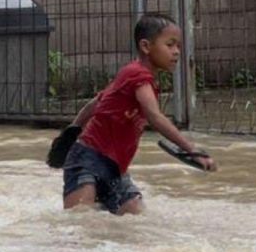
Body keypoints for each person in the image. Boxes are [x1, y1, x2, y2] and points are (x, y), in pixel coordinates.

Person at [61, 13, 216, 215]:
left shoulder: (130, 75)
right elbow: (155, 117)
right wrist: (193, 150)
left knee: (137, 218)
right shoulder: (137, 74)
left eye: (178, 46)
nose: (177, 52)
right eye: (170, 45)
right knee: (80, 221)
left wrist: (71, 132)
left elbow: (95, 104)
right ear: (145, 46)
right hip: (87, 160)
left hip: (116, 168)